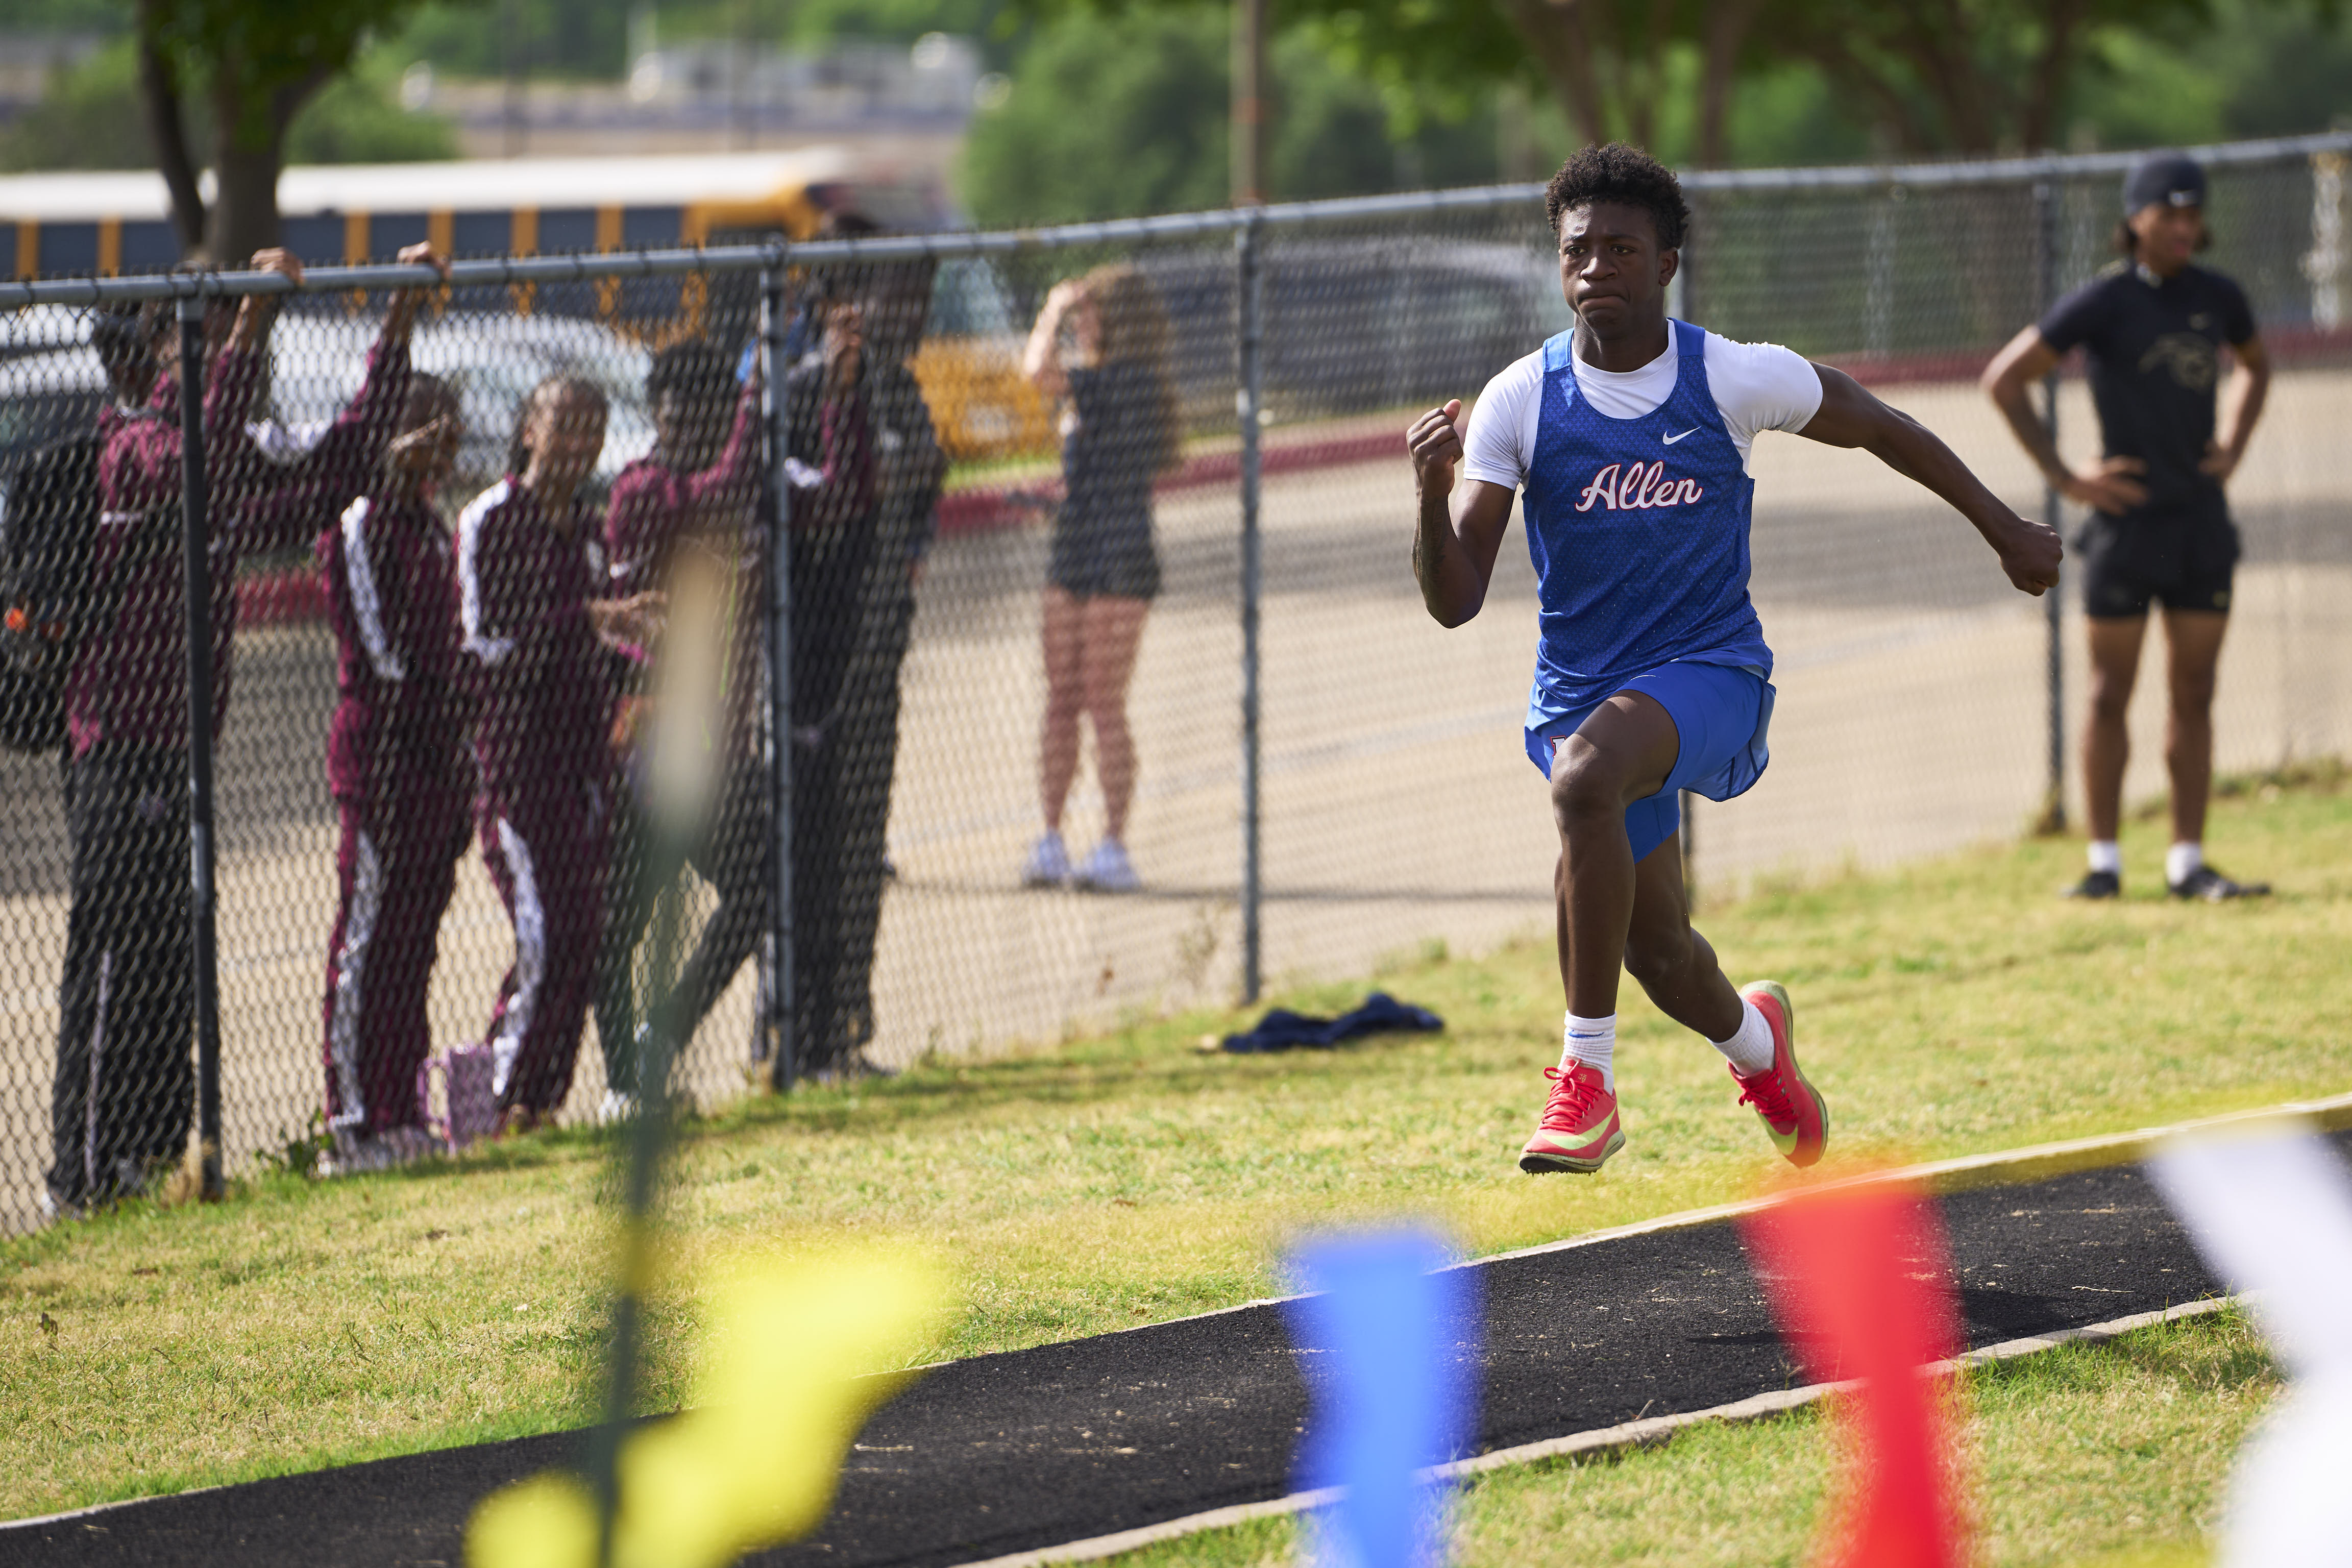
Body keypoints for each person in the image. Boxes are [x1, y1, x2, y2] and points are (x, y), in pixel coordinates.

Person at [1408, 144, 2062, 1176]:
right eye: (1578, 251)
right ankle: (1761, 1051)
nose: (1596, 270)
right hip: (1582, 699)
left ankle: (1587, 1084)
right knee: (1657, 950)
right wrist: (1429, 495)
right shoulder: (1518, 402)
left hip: (1711, 675)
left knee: (1586, 781)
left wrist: (2005, 528)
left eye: (1622, 250)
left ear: (1668, 262)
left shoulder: (1730, 376)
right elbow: (1454, 601)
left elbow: (1882, 426)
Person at [46, 245, 436, 1215]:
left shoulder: (217, 452)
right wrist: (247, 335)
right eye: (206, 328)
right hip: (115, 742)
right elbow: (198, 451)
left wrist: (394, 323)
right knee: (109, 964)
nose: (227, 344)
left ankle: (147, 1161)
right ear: (145, 353)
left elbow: (341, 458)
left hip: (183, 747)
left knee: (170, 962)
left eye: (230, 324)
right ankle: (80, 1179)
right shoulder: (131, 452)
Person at [1983, 151, 2273, 901]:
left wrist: (2234, 446)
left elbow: (2257, 366)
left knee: (2196, 691)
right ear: (2136, 219)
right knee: (2110, 693)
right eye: (2169, 214)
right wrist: (2067, 478)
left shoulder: (2219, 297)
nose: (2185, 227)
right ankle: (2104, 862)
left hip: (2201, 525)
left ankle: (2187, 862)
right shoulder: (2104, 303)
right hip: (2125, 531)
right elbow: (2006, 379)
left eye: (2193, 214)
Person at [458, 376, 657, 1131]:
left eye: (594, 430)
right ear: (530, 429)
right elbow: (483, 647)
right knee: (542, 930)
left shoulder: (586, 527)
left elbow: (595, 643)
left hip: (585, 766)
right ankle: (494, 1102)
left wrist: (634, 654)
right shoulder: (490, 521)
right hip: (519, 769)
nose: (580, 445)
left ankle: (540, 1104)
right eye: (566, 426)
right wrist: (590, 618)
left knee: (584, 933)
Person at [594, 338, 765, 1108]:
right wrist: (756, 400)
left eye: (704, 412)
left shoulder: (725, 492)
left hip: (707, 734)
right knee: (625, 920)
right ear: (657, 417)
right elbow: (719, 490)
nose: (686, 426)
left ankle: (656, 1042)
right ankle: (626, 1082)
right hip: (642, 735)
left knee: (752, 887)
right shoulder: (644, 492)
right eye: (674, 414)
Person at [317, 365, 472, 1171]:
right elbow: (384, 659)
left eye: (450, 425)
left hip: (436, 764)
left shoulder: (432, 528)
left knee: (416, 941)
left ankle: (402, 1105)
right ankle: (352, 1121)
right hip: (381, 762)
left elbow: (453, 647)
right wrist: (445, 706)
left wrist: (459, 744)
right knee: (368, 939)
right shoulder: (361, 525)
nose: (440, 441)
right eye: (425, 424)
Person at [1019, 263, 1180, 893]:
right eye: (1079, 311)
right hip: (1076, 545)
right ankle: (1051, 837)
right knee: (1062, 697)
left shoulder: (1131, 379)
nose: (1081, 322)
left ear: (1115, 318)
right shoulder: (1094, 384)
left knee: (1102, 700)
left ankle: (1114, 845)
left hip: (1122, 555)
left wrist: (1053, 307)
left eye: (1089, 311)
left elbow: (1037, 373)